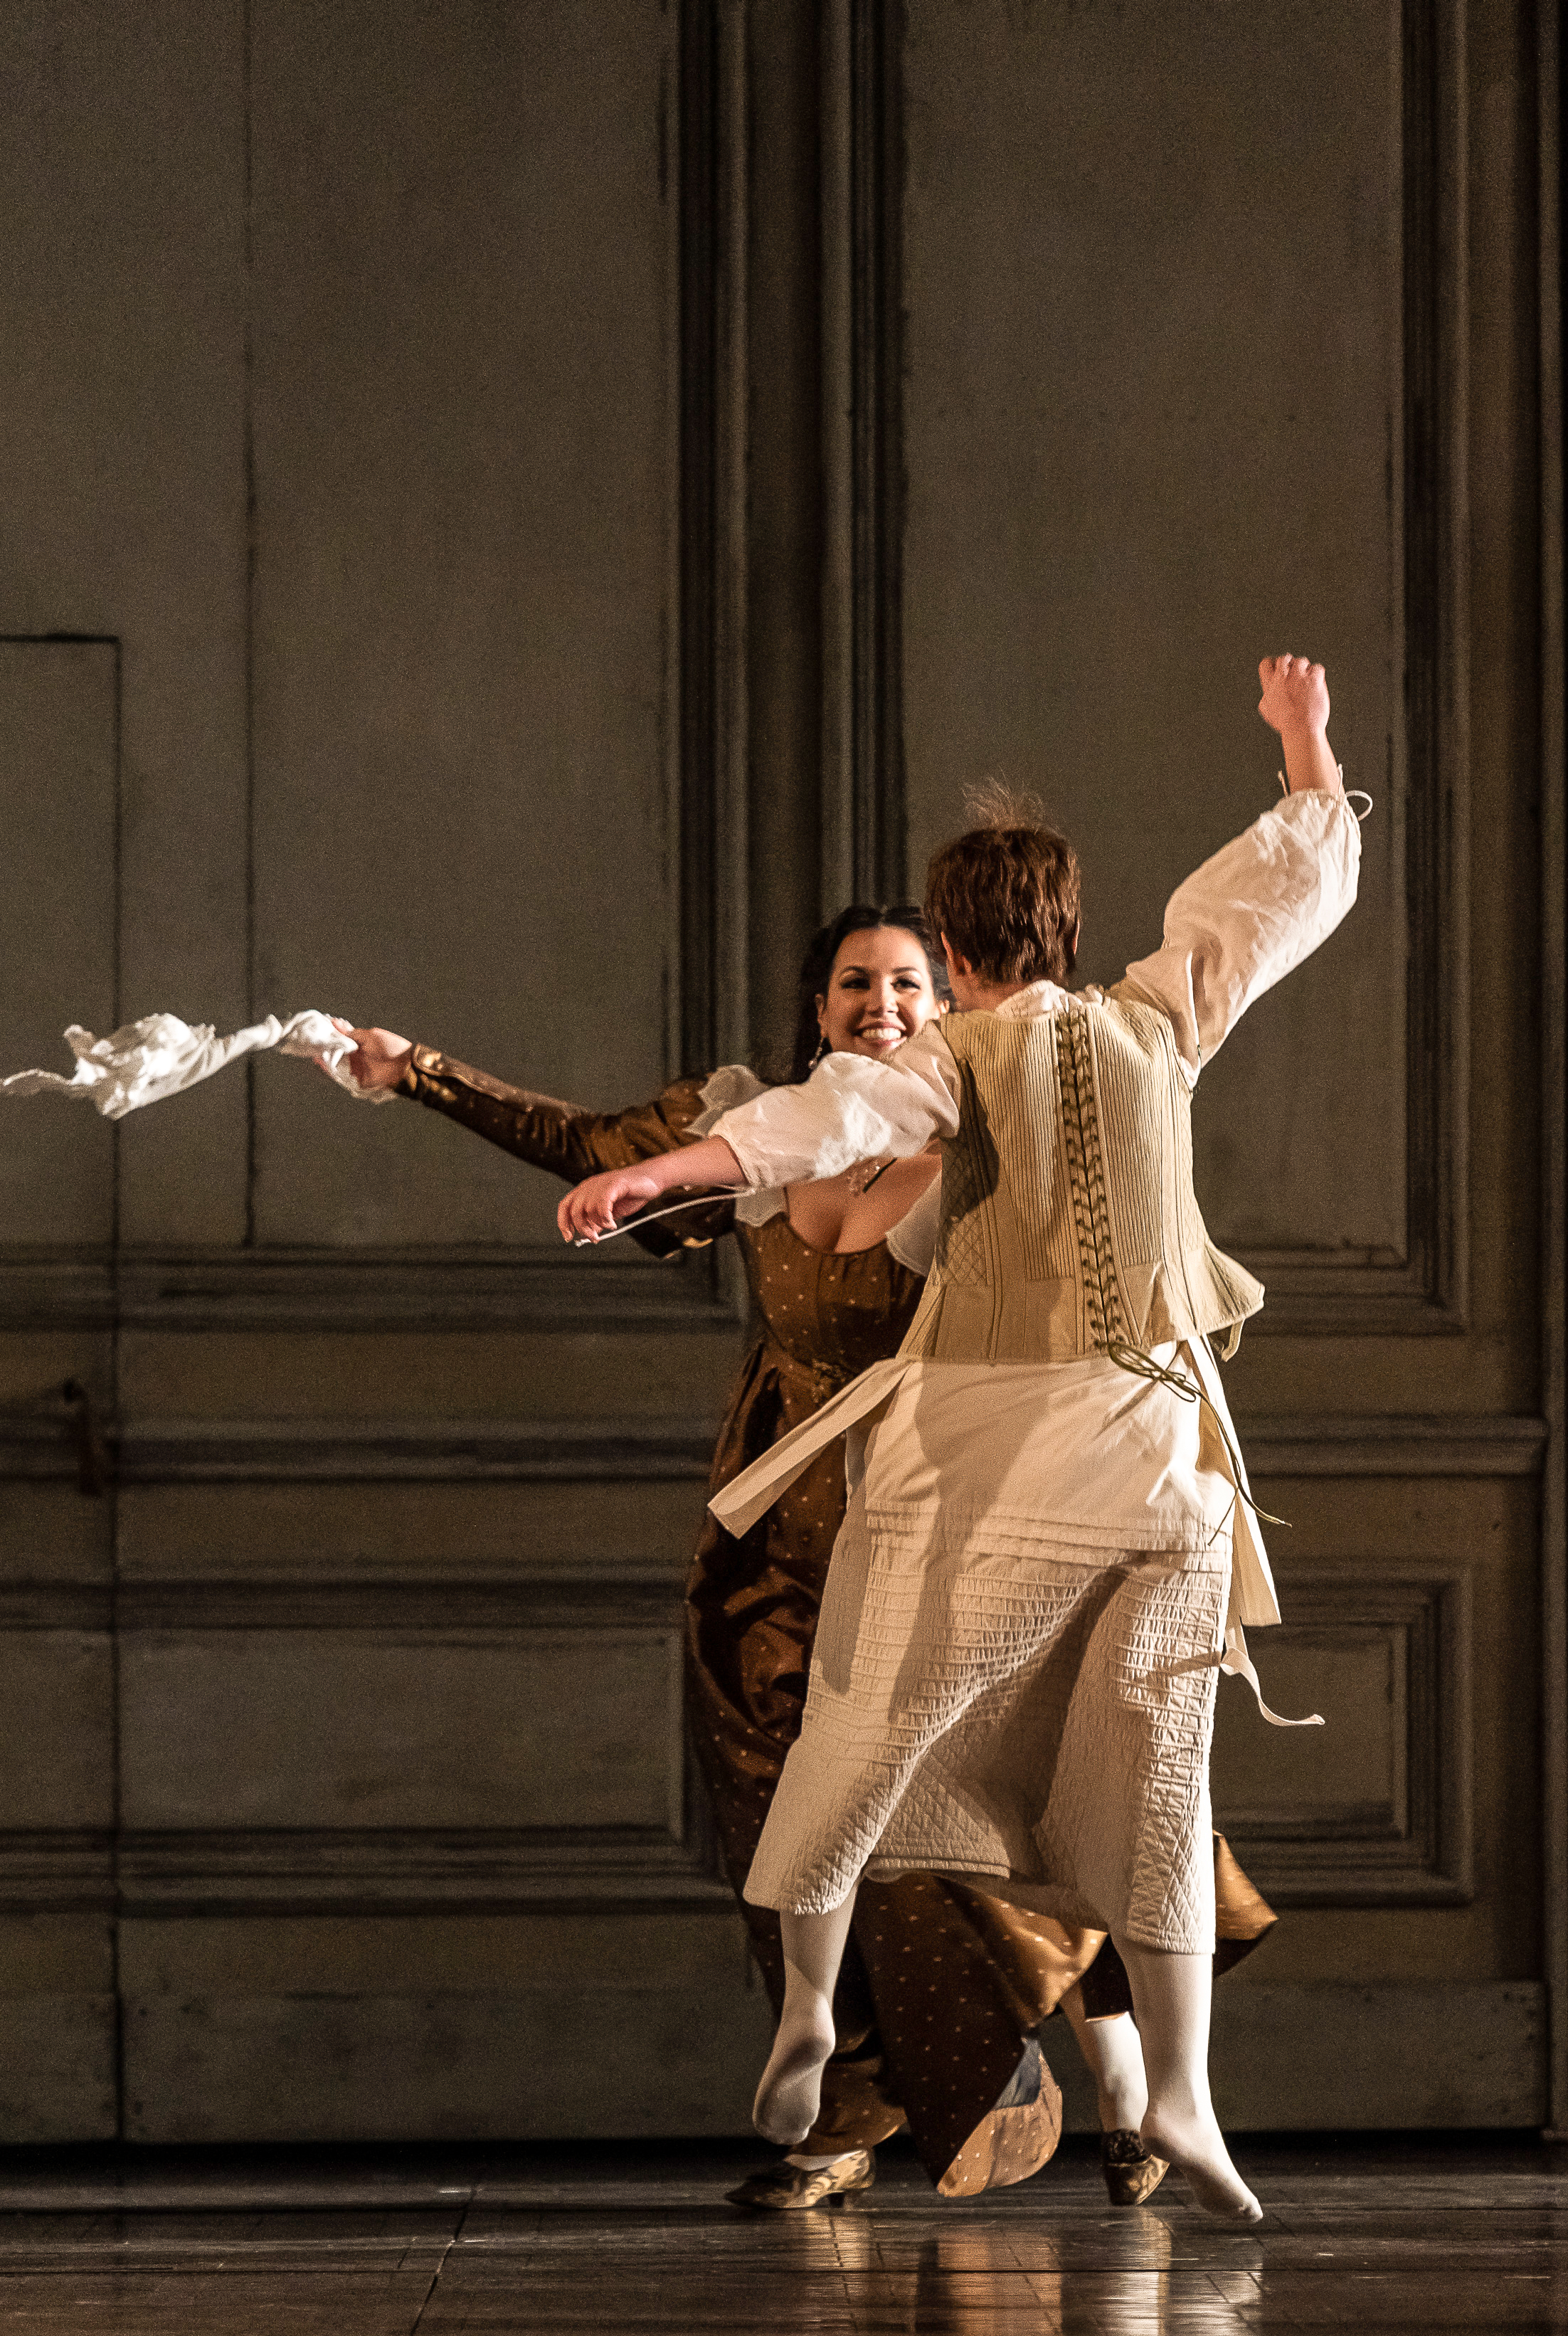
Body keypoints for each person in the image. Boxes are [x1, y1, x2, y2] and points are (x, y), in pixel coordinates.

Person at [556, 653, 1358, 2222]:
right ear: (1063, 928)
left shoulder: (939, 1061)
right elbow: (1276, 904)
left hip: (985, 1455)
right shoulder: (1159, 1012)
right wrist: (1304, 748)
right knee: (1155, 1763)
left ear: (961, 950)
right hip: (1149, 1453)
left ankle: (807, 2012)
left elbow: (809, 1124)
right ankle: (1182, 2094)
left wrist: (659, 1178)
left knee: (857, 1734)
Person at [336, 908, 1274, 2206]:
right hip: (784, 1523)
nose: (880, 1004)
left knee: (1037, 1779)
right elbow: (593, 1150)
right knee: (799, 1815)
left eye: (905, 982)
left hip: (959, 1495)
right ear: (817, 1003)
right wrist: (419, 1073)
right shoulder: (769, 1127)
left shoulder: (998, 1118)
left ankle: (1120, 2081)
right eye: (852, 984)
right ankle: (846, 2107)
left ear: (948, 992)